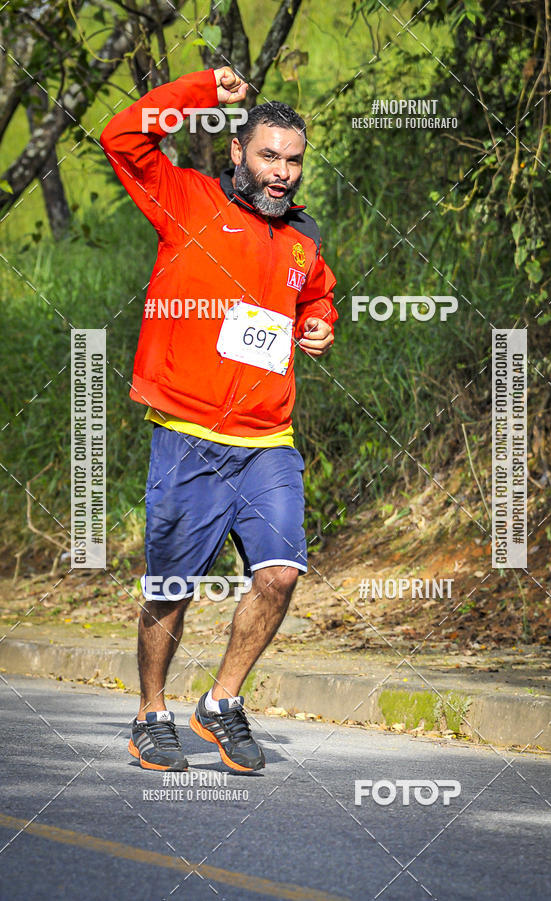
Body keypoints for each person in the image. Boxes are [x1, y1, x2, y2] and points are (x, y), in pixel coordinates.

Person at [100, 66, 337, 773]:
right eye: (269, 156)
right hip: (191, 436)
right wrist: (202, 89)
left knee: (281, 574)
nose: (282, 173)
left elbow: (317, 295)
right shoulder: (185, 200)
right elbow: (121, 137)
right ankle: (150, 710)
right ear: (237, 152)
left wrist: (320, 322)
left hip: (267, 440)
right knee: (172, 588)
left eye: (293, 160)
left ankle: (221, 702)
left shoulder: (302, 236)